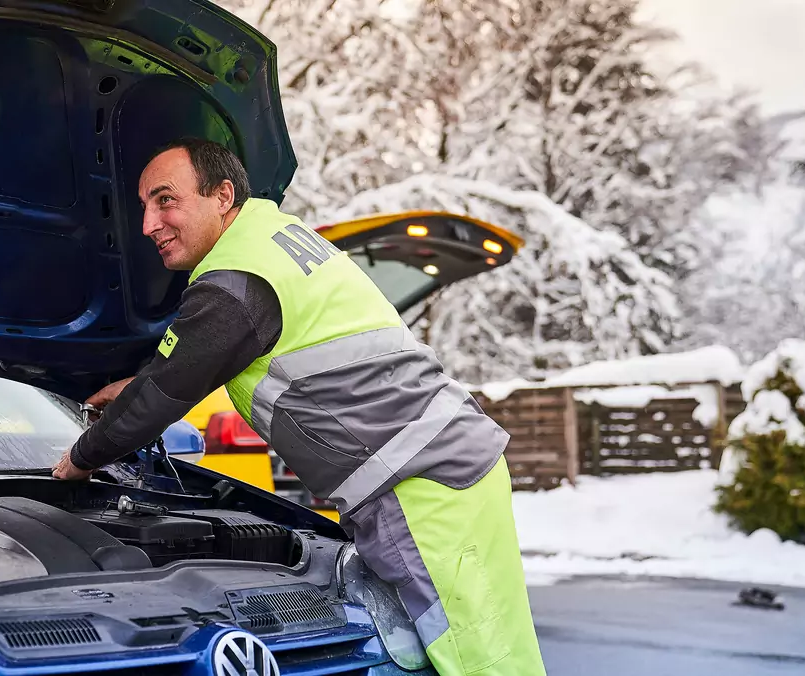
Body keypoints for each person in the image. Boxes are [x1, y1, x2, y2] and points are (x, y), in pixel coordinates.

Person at [52, 137, 545, 675]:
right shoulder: (271, 241)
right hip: (443, 464)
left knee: (480, 662)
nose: (148, 224)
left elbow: (166, 394)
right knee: (491, 646)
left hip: (416, 486)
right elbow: (202, 366)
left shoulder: (234, 282)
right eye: (144, 205)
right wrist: (138, 385)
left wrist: (80, 459)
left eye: (165, 200)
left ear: (221, 195)